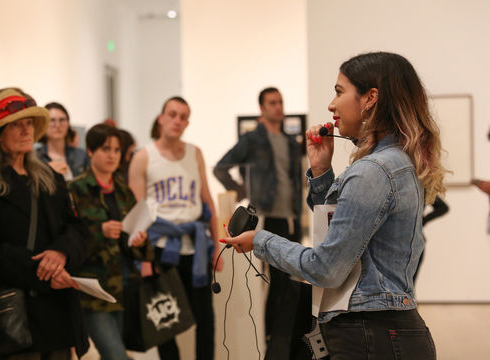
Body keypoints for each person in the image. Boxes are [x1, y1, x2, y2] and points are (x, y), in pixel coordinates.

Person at [223, 52, 443, 359]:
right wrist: (322, 172)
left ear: (370, 99)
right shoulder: (395, 162)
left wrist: (259, 241)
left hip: (370, 335)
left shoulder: (373, 170)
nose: (331, 104)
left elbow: (326, 268)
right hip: (384, 331)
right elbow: (339, 231)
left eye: (339, 92)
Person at [0, 87, 89, 359]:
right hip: (13, 316)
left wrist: (62, 252)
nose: (25, 131)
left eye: (29, 123)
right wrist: (46, 273)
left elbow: (77, 228)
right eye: (15, 126)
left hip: (57, 315)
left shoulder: (50, 177)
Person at [213, 87, 309, 359]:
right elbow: (220, 166)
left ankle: (282, 342)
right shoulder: (253, 139)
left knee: (288, 282)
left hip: (290, 218)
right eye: (272, 102)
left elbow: (295, 179)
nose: (278, 107)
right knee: (277, 283)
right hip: (266, 218)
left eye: (280, 102)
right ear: (262, 108)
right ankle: (272, 342)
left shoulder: (292, 142)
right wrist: (241, 191)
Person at [128, 96, 221, 360]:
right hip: (160, 248)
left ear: (187, 122)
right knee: (166, 321)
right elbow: (136, 213)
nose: (177, 121)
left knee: (205, 318)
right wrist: (143, 258)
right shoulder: (144, 157)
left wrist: (216, 246)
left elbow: (207, 201)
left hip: (195, 247)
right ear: (161, 118)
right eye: (172, 114)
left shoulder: (195, 153)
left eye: (183, 116)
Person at [68, 124, 151, 360]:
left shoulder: (124, 191)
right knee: (117, 356)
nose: (112, 155)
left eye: (116, 150)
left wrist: (141, 239)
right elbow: (67, 240)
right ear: (91, 151)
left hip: (125, 286)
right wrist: (98, 231)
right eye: (106, 149)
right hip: (93, 290)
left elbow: (138, 246)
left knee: (116, 354)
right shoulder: (75, 190)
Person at [36, 102, 89, 180]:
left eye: (62, 120)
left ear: (68, 123)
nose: (57, 125)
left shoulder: (82, 155)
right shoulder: (34, 158)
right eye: (52, 120)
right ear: (44, 125)